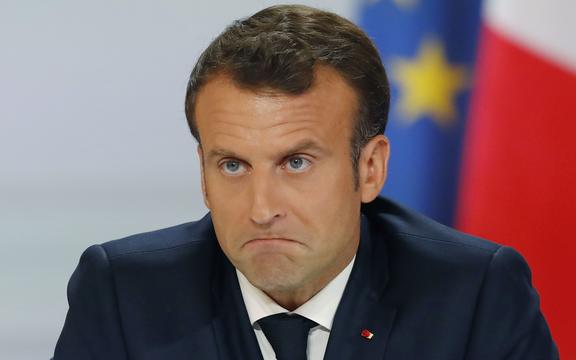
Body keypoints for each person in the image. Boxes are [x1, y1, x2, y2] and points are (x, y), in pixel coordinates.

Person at [52, 4, 558, 360]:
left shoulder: (474, 295)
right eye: (232, 165)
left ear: (370, 169)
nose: (261, 207)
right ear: (203, 175)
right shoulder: (123, 292)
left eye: (295, 163)